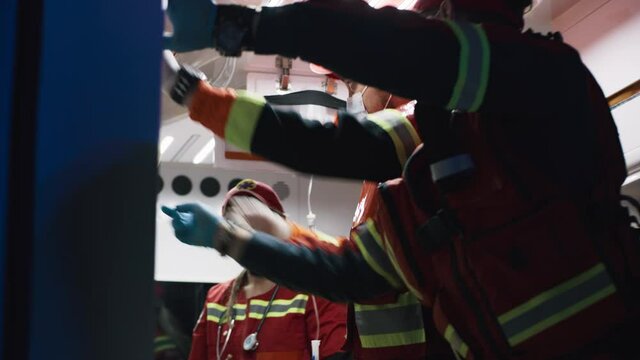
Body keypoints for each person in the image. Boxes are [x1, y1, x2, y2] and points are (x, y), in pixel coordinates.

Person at [161, 0, 640, 358]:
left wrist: (246, 28)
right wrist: (193, 98)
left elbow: (417, 56)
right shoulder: (423, 185)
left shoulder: (541, 80)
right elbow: (344, 268)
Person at [183, 179, 349, 360]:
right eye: (233, 222)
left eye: (254, 219)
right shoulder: (217, 298)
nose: (245, 229)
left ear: (279, 224)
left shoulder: (313, 293)